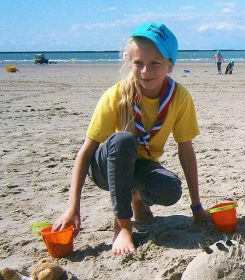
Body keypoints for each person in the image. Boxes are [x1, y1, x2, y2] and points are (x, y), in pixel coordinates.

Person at [52, 22, 209, 256]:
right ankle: (122, 225)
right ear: (129, 62)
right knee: (124, 140)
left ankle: (137, 198)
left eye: (155, 63)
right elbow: (86, 151)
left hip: (141, 165)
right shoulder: (117, 95)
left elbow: (185, 149)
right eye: (138, 63)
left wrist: (197, 207)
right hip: (106, 167)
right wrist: (73, 207)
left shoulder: (179, 98)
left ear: (169, 66)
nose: (145, 71)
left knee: (170, 189)